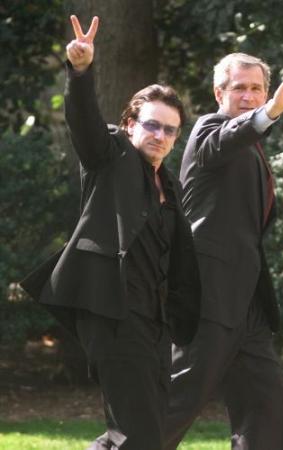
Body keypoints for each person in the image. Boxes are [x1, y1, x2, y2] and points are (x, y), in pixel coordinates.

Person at [20, 15, 200, 450]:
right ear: (131, 124)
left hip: (153, 322)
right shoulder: (111, 155)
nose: (160, 135)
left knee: (145, 430)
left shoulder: (169, 184)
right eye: (152, 125)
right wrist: (80, 72)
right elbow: (83, 122)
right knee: (139, 432)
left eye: (169, 129)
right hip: (112, 312)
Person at [165, 53, 283, 450]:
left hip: (247, 305)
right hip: (208, 299)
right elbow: (229, 139)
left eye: (257, 89)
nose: (249, 96)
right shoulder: (207, 130)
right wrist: (271, 111)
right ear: (220, 92)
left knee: (265, 413)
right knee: (171, 407)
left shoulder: (251, 147)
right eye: (239, 88)